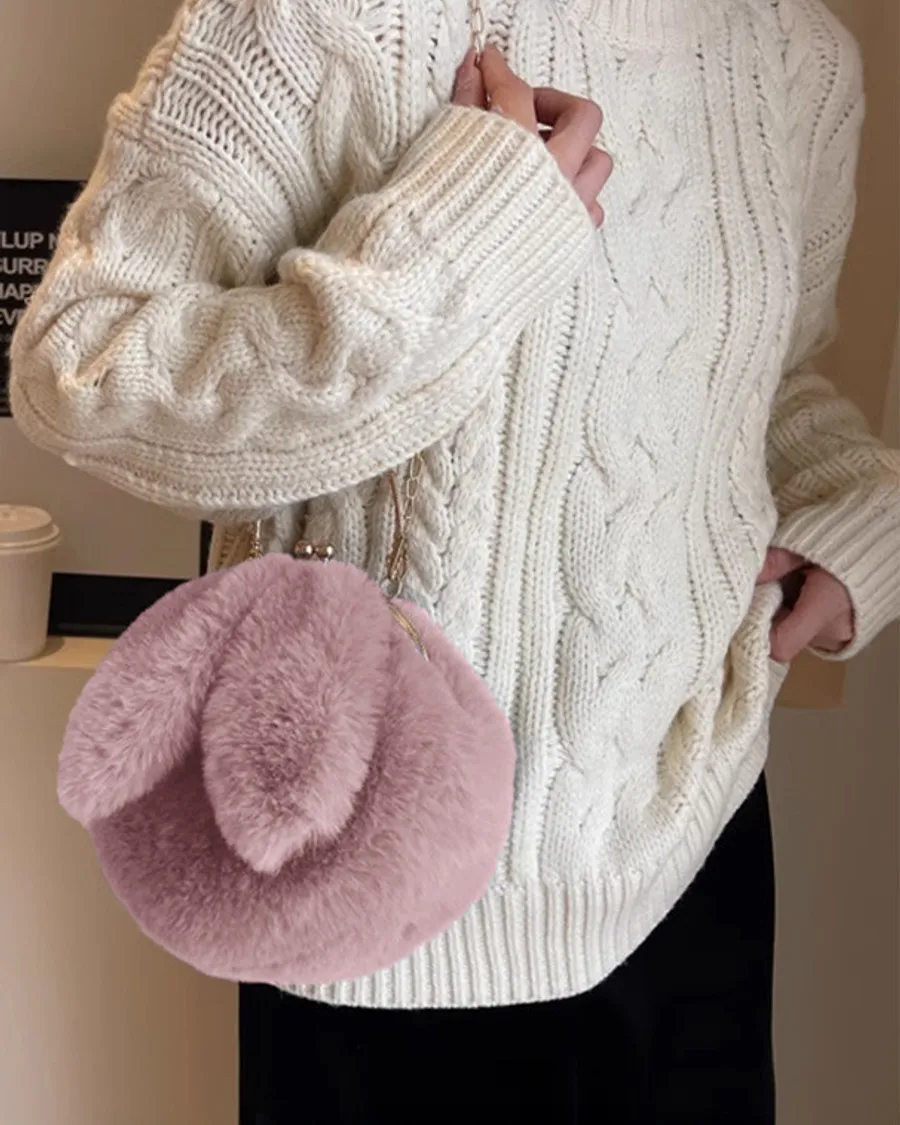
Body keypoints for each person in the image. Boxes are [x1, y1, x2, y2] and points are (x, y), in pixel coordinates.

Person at [10, 0, 899, 1121]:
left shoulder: (800, 57)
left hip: (691, 847)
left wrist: (861, 511)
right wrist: (456, 253)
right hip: (378, 884)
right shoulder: (314, 19)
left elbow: (766, 382)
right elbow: (78, 368)